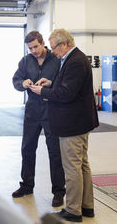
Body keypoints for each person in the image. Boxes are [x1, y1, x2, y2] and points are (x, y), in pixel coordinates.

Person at [29, 28, 99, 223]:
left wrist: (42, 91)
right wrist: (51, 83)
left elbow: (66, 94)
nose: (52, 52)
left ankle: (73, 210)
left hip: (72, 124)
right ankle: (87, 206)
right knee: (83, 165)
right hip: (79, 121)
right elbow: (67, 86)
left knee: (72, 167)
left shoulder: (75, 61)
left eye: (54, 48)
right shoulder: (73, 58)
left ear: (64, 44)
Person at [12, 30, 65, 207]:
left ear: (43, 43)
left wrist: (50, 85)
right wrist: (23, 84)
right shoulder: (25, 61)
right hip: (32, 111)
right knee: (27, 148)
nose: (33, 50)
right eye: (30, 48)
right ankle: (26, 185)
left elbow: (63, 82)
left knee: (55, 152)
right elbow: (16, 80)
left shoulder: (56, 59)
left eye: (35, 46)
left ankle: (58, 192)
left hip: (52, 110)